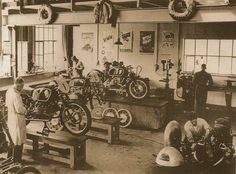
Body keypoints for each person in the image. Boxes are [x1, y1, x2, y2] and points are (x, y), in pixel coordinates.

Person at [5, 77, 27, 162]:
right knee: (19, 140)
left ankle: (9, 158)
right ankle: (17, 160)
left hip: (10, 117)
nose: (22, 88)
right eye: (21, 86)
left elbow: (7, 104)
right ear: (18, 85)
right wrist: (25, 109)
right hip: (18, 118)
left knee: (12, 138)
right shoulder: (16, 95)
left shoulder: (9, 90)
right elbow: (19, 109)